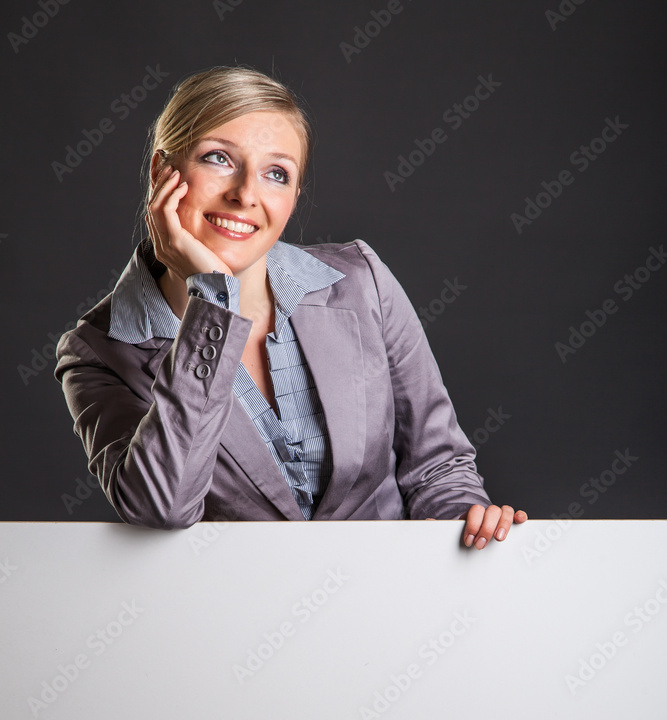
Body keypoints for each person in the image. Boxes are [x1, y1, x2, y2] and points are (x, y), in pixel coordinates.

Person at [55, 65, 526, 548]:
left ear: (294, 197)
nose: (245, 194)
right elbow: (162, 506)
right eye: (218, 158)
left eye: (276, 174)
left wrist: (463, 528)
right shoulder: (96, 352)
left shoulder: (362, 282)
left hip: (391, 587)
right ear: (162, 172)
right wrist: (211, 298)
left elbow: (438, 467)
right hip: (235, 596)